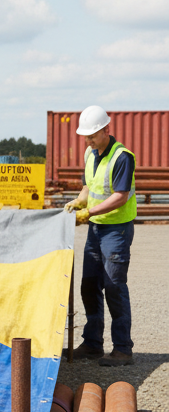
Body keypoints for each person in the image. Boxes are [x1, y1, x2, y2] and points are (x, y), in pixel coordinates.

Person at [63, 104, 137, 367]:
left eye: (93, 135)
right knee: (89, 286)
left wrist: (89, 211)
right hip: (96, 229)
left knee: (114, 287)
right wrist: (79, 202)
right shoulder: (90, 153)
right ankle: (93, 344)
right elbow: (87, 186)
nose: (89, 140)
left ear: (107, 130)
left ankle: (123, 349)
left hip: (115, 230)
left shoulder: (122, 157)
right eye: (86, 136)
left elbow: (120, 197)